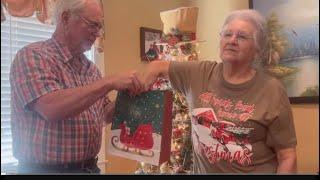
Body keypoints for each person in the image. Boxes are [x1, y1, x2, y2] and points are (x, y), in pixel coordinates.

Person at [138, 9, 297, 174]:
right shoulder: (198, 73)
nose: (232, 40)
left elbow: (287, 157)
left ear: (257, 49)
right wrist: (128, 94)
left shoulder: (272, 90)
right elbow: (156, 67)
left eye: (242, 36)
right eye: (227, 34)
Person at [9, 0, 142, 174]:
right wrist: (108, 82)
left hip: (90, 168)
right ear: (65, 18)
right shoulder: (33, 56)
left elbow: (103, 116)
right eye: (93, 25)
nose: (98, 33)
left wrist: (127, 98)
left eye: (100, 26)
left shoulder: (91, 69)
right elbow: (51, 108)